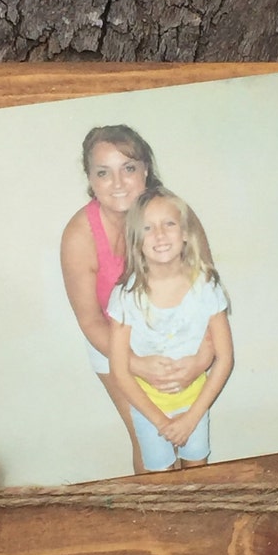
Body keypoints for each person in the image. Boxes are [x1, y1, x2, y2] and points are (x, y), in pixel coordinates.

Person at [60, 126, 214, 474]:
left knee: (194, 444)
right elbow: (90, 321)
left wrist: (202, 357)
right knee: (151, 444)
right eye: (103, 172)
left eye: (128, 168)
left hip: (182, 339)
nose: (118, 182)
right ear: (90, 178)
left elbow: (206, 292)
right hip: (114, 346)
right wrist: (135, 364)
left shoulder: (175, 213)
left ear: (146, 169)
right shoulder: (78, 236)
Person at [107, 186, 234, 472]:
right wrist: (162, 422)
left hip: (195, 403)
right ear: (136, 240)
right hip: (148, 408)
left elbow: (225, 358)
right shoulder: (125, 297)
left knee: (198, 474)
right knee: (160, 481)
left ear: (185, 232)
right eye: (148, 228)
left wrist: (192, 418)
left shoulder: (207, 286)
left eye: (169, 224)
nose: (160, 235)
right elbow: (119, 370)